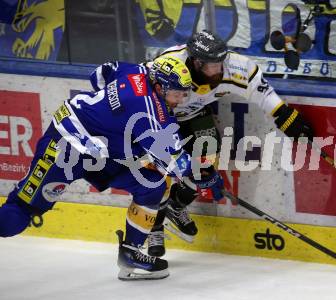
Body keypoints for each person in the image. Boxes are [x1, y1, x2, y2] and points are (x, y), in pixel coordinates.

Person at [90, 30, 314, 257]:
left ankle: (176, 206)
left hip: (194, 115)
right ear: (196, 62)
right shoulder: (170, 63)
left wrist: (284, 116)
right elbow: (141, 90)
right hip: (158, 120)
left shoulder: (234, 66)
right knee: (159, 176)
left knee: (206, 162)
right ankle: (155, 227)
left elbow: (261, 92)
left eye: (221, 62)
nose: (219, 69)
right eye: (212, 65)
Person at [0, 56, 224, 280]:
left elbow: (102, 71)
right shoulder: (151, 113)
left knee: (152, 185)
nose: (179, 100)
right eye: (176, 94)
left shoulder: (136, 71)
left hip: (102, 153)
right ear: (159, 87)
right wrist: (204, 175)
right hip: (66, 144)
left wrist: (110, 111)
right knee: (22, 211)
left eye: (183, 94)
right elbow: (175, 163)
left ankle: (130, 254)